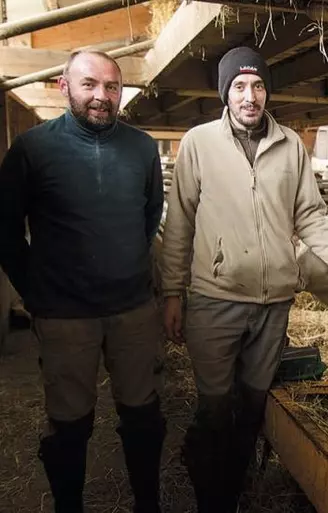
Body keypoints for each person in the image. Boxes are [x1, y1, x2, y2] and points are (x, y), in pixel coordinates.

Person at [160, 46, 328, 511]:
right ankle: (209, 494)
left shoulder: (291, 145)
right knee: (216, 406)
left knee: (254, 405)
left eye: (257, 85)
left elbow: (311, 215)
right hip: (214, 299)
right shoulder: (199, 143)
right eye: (239, 86)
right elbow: (179, 221)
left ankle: (235, 488)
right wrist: (171, 292)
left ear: (266, 91)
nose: (250, 96)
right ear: (225, 93)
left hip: (274, 302)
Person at [0, 50, 166, 513]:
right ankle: (69, 505)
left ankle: (147, 503)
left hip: (132, 308)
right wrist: (35, 291)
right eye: (89, 84)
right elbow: (6, 229)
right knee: (70, 420)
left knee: (143, 414)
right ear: (63, 85)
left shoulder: (141, 147)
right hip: (64, 314)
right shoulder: (33, 149)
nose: (101, 96)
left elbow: (150, 215)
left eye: (112, 87)